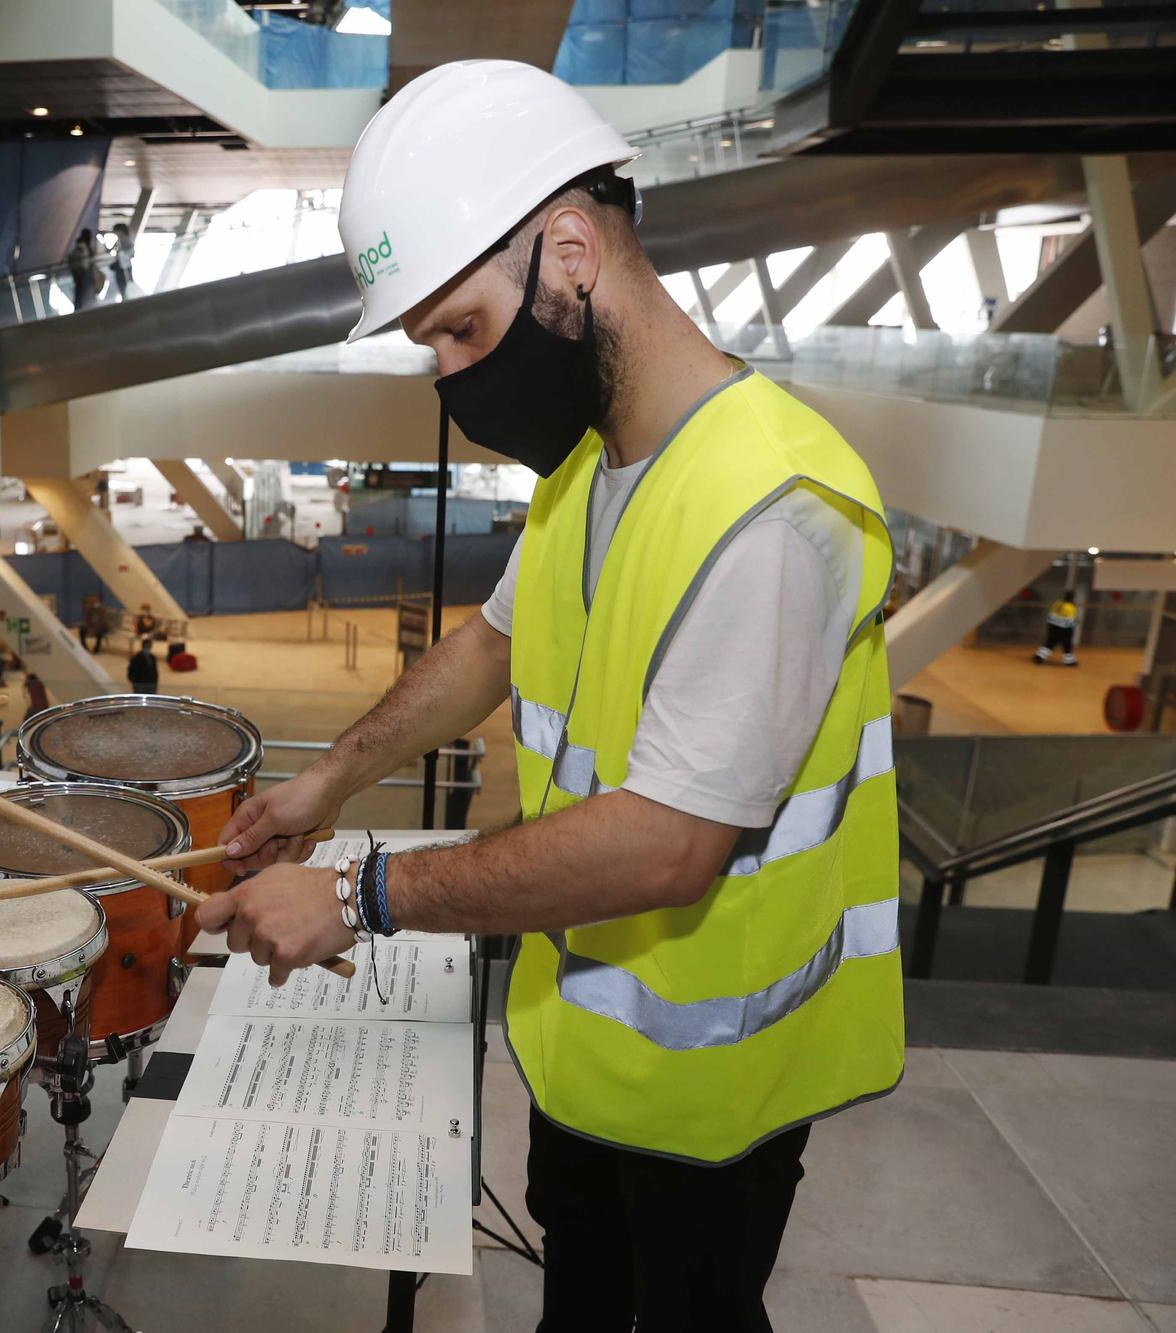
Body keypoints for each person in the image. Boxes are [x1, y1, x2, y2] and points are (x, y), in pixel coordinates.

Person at [200, 63, 901, 1333]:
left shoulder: (770, 510)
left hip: (712, 1095)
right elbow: (486, 647)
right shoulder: (597, 465)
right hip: (581, 1050)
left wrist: (361, 895)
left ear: (566, 253)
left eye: (460, 329)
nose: (456, 377)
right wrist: (332, 777)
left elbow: (668, 844)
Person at [1035, 588, 1080, 665]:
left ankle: (1039, 656)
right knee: (1067, 646)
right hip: (1064, 629)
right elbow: (1070, 621)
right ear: (1072, 598)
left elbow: (1051, 613)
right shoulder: (1070, 607)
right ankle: (1069, 661)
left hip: (1052, 626)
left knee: (1050, 642)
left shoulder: (1057, 603)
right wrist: (1075, 622)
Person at [69, 228, 100, 310]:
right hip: (84, 273)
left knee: (81, 294)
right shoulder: (83, 247)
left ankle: (79, 310)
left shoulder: (80, 246)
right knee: (83, 293)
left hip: (81, 274)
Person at [112, 220, 135, 299]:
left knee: (123, 283)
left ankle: (126, 299)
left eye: (115, 231)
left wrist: (121, 253)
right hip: (125, 264)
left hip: (123, 264)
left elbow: (131, 252)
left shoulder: (124, 238)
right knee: (126, 283)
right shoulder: (123, 238)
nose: (115, 233)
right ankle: (127, 299)